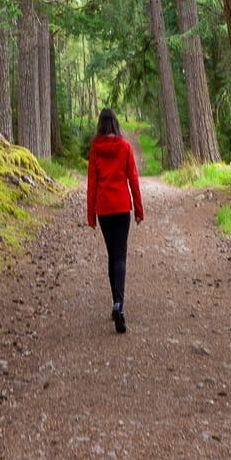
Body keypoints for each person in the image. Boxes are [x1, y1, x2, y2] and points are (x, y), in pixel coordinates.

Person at [86, 107, 144, 332]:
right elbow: (134, 180)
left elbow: (92, 184)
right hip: (121, 207)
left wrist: (90, 214)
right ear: (116, 125)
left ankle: (115, 302)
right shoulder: (125, 147)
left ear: (101, 125)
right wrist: (138, 210)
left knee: (112, 255)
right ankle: (119, 303)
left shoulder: (95, 149)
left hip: (104, 209)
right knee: (120, 256)